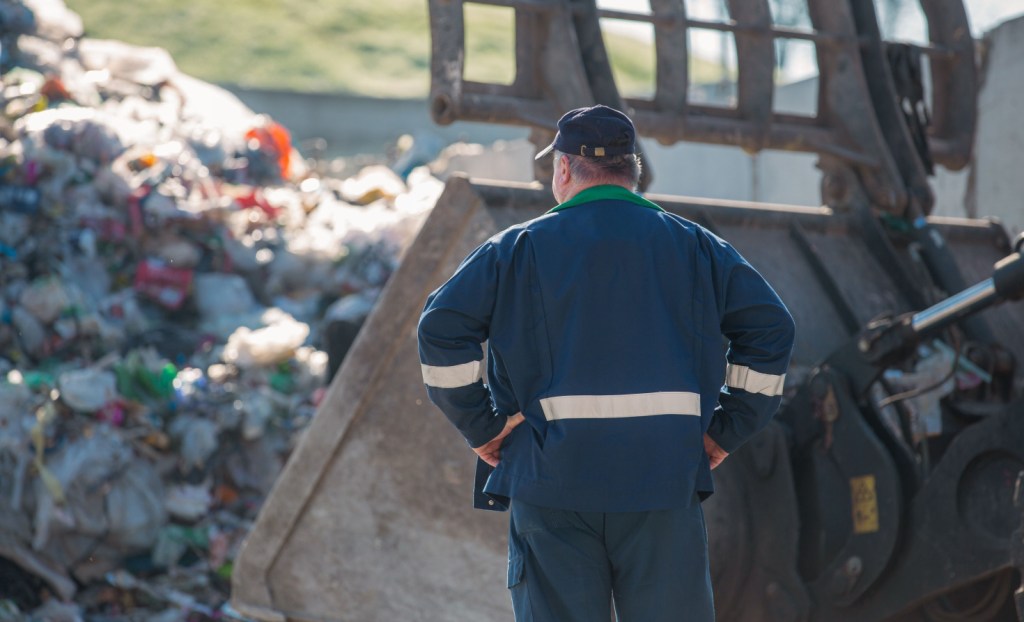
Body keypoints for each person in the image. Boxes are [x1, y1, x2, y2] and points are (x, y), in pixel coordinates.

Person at [417, 104, 795, 622]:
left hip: (551, 486)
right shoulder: (698, 248)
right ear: (632, 169)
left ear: (565, 169)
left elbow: (440, 329)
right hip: (662, 481)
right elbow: (771, 329)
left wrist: (481, 427)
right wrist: (727, 429)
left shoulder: (515, 249)